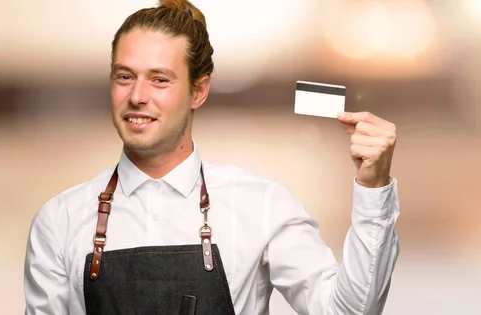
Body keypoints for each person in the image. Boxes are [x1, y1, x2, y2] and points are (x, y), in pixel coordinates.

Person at [23, 0, 401, 314]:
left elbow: (346, 312)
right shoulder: (61, 221)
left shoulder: (260, 205)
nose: (137, 95)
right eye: (125, 76)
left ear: (199, 91)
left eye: (159, 79)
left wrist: (373, 191)